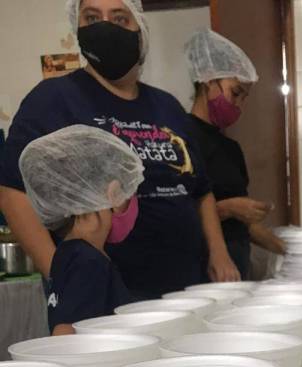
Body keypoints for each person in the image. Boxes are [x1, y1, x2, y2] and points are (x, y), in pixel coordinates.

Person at [0, 0, 239, 300]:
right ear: (77, 26)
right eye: (91, 18)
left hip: (186, 289)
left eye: (120, 18)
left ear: (140, 29)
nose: (105, 27)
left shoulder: (168, 106)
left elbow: (201, 191)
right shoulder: (53, 100)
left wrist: (219, 252)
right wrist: (63, 276)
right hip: (104, 298)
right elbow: (12, 192)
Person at [19, 125, 143, 335]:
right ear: (113, 193)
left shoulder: (68, 252)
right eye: (128, 193)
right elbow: (64, 332)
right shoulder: (88, 262)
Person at [184, 29, 285, 280]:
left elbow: (244, 226)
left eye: (244, 97)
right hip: (202, 271)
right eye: (235, 93)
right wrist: (228, 209)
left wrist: (289, 249)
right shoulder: (181, 138)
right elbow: (178, 216)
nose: (239, 104)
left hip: (236, 271)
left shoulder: (231, 149)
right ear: (208, 81)